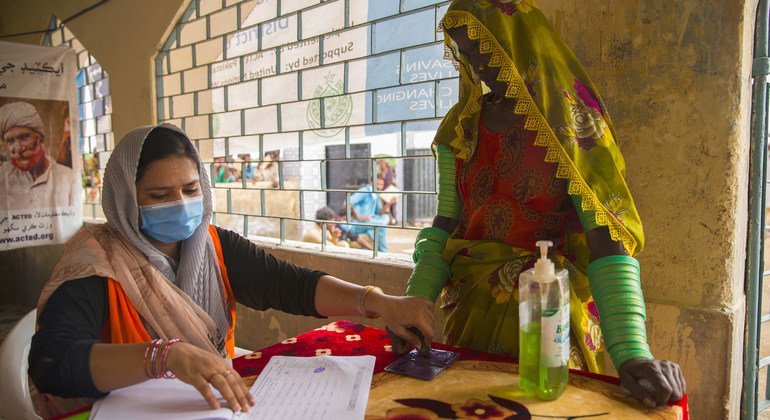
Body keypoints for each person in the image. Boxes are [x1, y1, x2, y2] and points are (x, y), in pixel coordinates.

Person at [28, 124, 434, 418]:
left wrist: (379, 302)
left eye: (190, 190)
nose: (181, 203)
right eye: (159, 195)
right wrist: (163, 356)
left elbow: (290, 285)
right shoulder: (97, 264)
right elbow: (52, 364)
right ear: (124, 197)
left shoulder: (212, 245)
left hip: (203, 407)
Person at [401, 0, 685, 409]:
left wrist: (631, 351)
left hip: (549, 321)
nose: (475, 63)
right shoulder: (459, 129)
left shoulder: (569, 122)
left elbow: (605, 236)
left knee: (545, 408)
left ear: (518, 38)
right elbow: (446, 224)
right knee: (470, 407)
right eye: (464, 51)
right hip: (471, 311)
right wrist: (416, 304)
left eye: (483, 46)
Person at [0, 101, 78, 210]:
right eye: (10, 141)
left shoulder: (67, 177)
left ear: (40, 137)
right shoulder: (3, 176)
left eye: (24, 137)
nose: (18, 148)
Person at [348, 177, 390, 253]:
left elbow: (379, 212)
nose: (379, 186)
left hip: (369, 221)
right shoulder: (364, 191)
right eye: (377, 184)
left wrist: (389, 203)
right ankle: (384, 252)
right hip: (358, 223)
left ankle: (374, 243)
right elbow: (347, 202)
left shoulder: (375, 194)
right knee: (381, 225)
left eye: (381, 184)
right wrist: (359, 216)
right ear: (371, 182)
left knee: (385, 217)